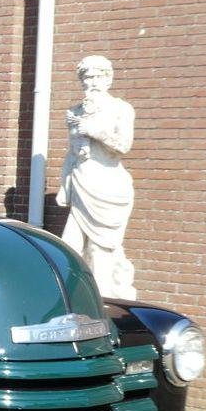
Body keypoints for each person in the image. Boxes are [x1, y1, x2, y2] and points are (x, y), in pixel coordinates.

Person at [56, 55, 137, 300]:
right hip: (81, 182)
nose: (91, 81)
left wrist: (93, 130)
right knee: (69, 246)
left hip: (108, 186)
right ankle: (69, 297)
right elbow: (73, 154)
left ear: (107, 78)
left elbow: (123, 145)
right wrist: (64, 185)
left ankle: (103, 302)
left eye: (97, 76)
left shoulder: (121, 109)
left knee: (100, 250)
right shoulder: (74, 111)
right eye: (87, 76)